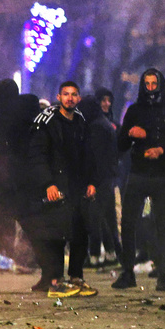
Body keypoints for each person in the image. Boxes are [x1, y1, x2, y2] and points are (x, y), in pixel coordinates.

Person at [113, 68, 165, 291]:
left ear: (161, 84)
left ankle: (162, 274)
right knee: (128, 223)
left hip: (164, 175)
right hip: (139, 172)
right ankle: (128, 272)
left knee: (162, 224)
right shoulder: (135, 110)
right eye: (146, 84)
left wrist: (162, 149)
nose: (150, 88)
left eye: (154, 84)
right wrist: (129, 133)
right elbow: (121, 145)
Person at [21, 81, 97, 298]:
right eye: (66, 94)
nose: (70, 98)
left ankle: (76, 278)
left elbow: (88, 154)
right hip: (56, 186)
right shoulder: (47, 121)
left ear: (78, 98)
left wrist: (91, 182)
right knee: (56, 234)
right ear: (58, 96)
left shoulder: (81, 121)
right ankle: (55, 281)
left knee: (80, 232)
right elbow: (37, 156)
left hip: (77, 187)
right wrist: (48, 184)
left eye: (73, 94)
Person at [0, 81, 37, 292]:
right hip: (19, 182)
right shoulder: (24, 115)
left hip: (7, 183)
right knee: (30, 227)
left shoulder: (5, 118)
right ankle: (51, 274)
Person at [85, 88, 122, 267]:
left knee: (96, 216)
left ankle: (95, 255)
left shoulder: (97, 126)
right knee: (108, 217)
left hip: (100, 178)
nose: (106, 104)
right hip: (108, 177)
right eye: (103, 100)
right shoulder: (107, 125)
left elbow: (96, 156)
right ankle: (112, 253)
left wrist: (92, 180)